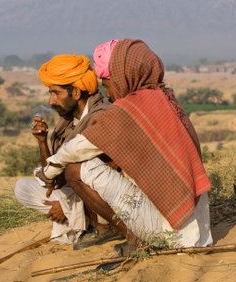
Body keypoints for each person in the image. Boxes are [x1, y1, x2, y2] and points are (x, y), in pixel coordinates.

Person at [37, 39, 213, 256]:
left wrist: (50, 170)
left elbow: (79, 147)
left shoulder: (130, 108)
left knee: (75, 170)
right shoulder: (165, 98)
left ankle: (135, 242)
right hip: (199, 232)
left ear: (122, 77)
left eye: (108, 83)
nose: (108, 93)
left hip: (171, 234)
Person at [14, 53, 121, 247]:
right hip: (72, 193)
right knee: (22, 187)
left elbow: (97, 175)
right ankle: (75, 219)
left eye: (56, 93)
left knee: (76, 172)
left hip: (101, 199)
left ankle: (100, 227)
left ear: (77, 93)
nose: (51, 101)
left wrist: (66, 206)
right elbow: (53, 176)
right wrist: (42, 142)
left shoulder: (101, 117)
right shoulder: (67, 123)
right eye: (50, 93)